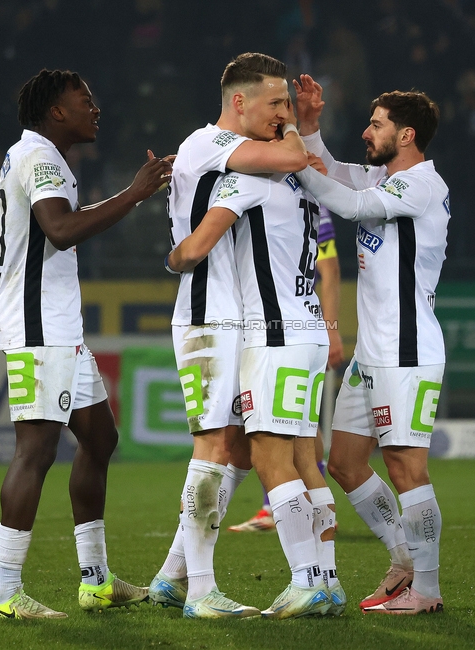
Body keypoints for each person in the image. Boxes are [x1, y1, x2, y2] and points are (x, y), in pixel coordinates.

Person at [0, 68, 173, 620]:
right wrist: (135, 194)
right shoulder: (40, 157)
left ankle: (94, 578)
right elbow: (60, 229)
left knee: (99, 437)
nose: (96, 108)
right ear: (56, 111)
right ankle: (5, 590)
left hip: (57, 324)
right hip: (37, 324)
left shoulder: (41, 155)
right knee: (36, 451)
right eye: (84, 100)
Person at [167, 63, 343, 620]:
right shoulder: (213, 147)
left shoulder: (257, 174)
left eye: (287, 106)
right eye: (275, 105)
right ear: (239, 102)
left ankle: (181, 580)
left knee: (249, 452)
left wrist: (177, 255)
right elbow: (193, 249)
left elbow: (190, 249)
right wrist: (305, 126)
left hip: (258, 327)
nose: (282, 116)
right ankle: (197, 587)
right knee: (229, 449)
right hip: (212, 319)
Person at [293, 76, 447, 615]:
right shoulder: (383, 178)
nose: (366, 131)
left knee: (406, 468)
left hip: (407, 347)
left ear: (406, 134)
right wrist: (309, 128)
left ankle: (426, 590)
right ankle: (404, 560)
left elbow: (352, 205)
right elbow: (332, 173)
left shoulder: (422, 184)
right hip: (372, 351)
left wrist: (299, 169)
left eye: (376, 124)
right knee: (346, 462)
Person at [228, 202, 343, 532]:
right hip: (290, 326)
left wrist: (333, 327)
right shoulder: (308, 197)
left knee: (276, 433)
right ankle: (321, 561)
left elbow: (330, 268)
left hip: (282, 328)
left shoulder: (272, 196)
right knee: (302, 434)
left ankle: (288, 519)